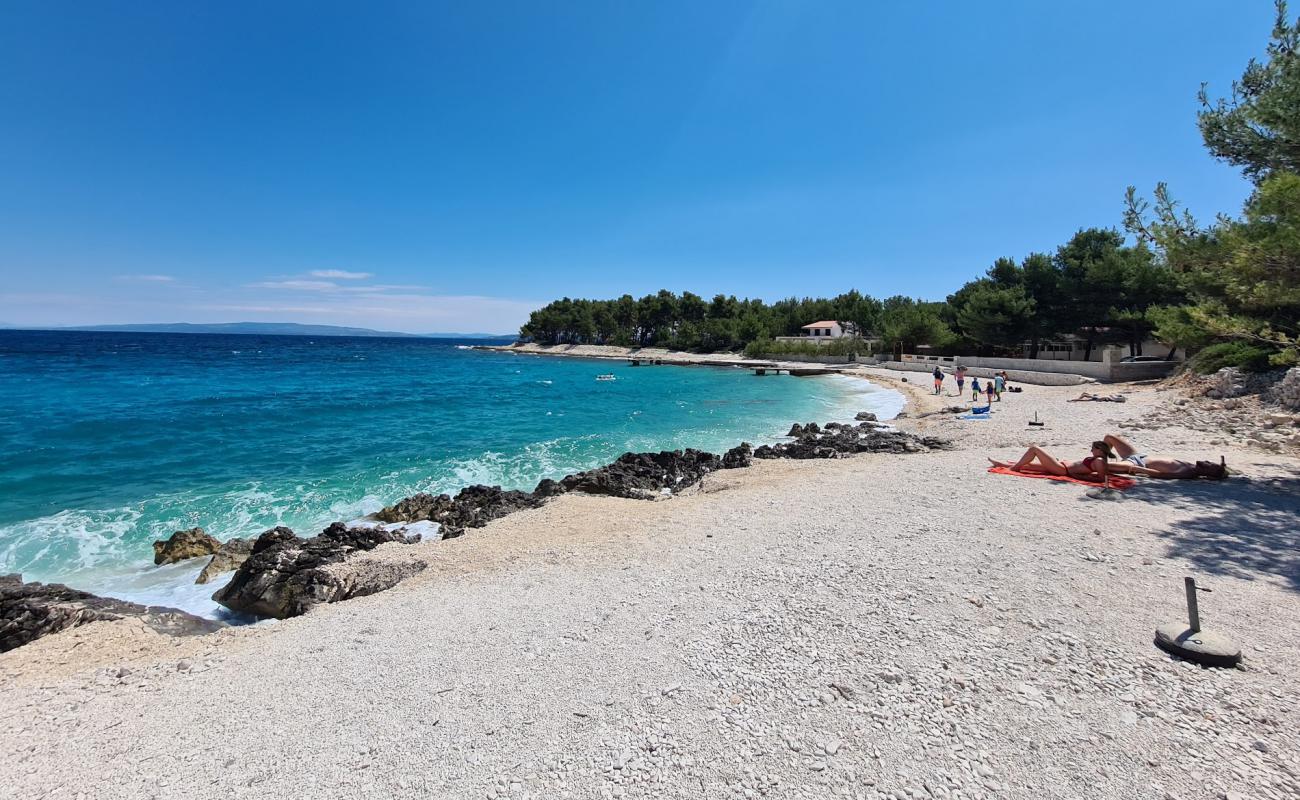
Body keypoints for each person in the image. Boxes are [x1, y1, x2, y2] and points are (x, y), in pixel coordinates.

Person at [1098, 433, 1228, 479]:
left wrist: (1142, 470)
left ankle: (1098, 462)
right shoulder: (1192, 466)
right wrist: (1222, 468)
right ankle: (1100, 458)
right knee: (1109, 437)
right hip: (1138, 456)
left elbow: (1163, 475)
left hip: (1137, 464)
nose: (1207, 461)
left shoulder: (1189, 472)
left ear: (1209, 474)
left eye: (1210, 465)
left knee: (1101, 465)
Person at [988, 441, 1118, 484]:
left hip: (1063, 470)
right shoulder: (1099, 459)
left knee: (1034, 449)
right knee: (1030, 466)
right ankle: (1000, 464)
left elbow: (1102, 479)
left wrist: (1079, 477)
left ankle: (1013, 468)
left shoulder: (1100, 461)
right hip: (1062, 467)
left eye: (1093, 448)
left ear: (1099, 450)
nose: (1091, 450)